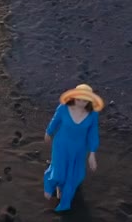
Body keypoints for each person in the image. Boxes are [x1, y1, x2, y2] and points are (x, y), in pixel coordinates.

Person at [43, 84, 104, 212]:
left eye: (85, 100)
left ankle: (64, 200)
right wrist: (48, 133)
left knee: (74, 175)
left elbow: (93, 134)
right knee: (59, 172)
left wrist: (92, 154)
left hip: (79, 149)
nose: (81, 103)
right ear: (74, 97)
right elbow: (55, 121)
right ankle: (50, 185)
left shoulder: (93, 115)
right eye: (78, 99)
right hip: (61, 145)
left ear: (90, 100)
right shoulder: (63, 108)